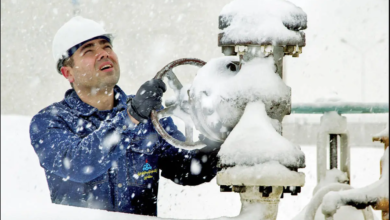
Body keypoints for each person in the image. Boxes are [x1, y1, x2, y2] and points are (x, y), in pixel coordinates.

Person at [29, 16, 222, 216]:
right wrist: (131, 118)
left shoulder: (150, 116)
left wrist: (217, 136)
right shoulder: (49, 122)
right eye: (89, 51)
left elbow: (188, 169)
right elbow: (79, 164)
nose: (103, 54)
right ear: (67, 72)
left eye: (106, 47)